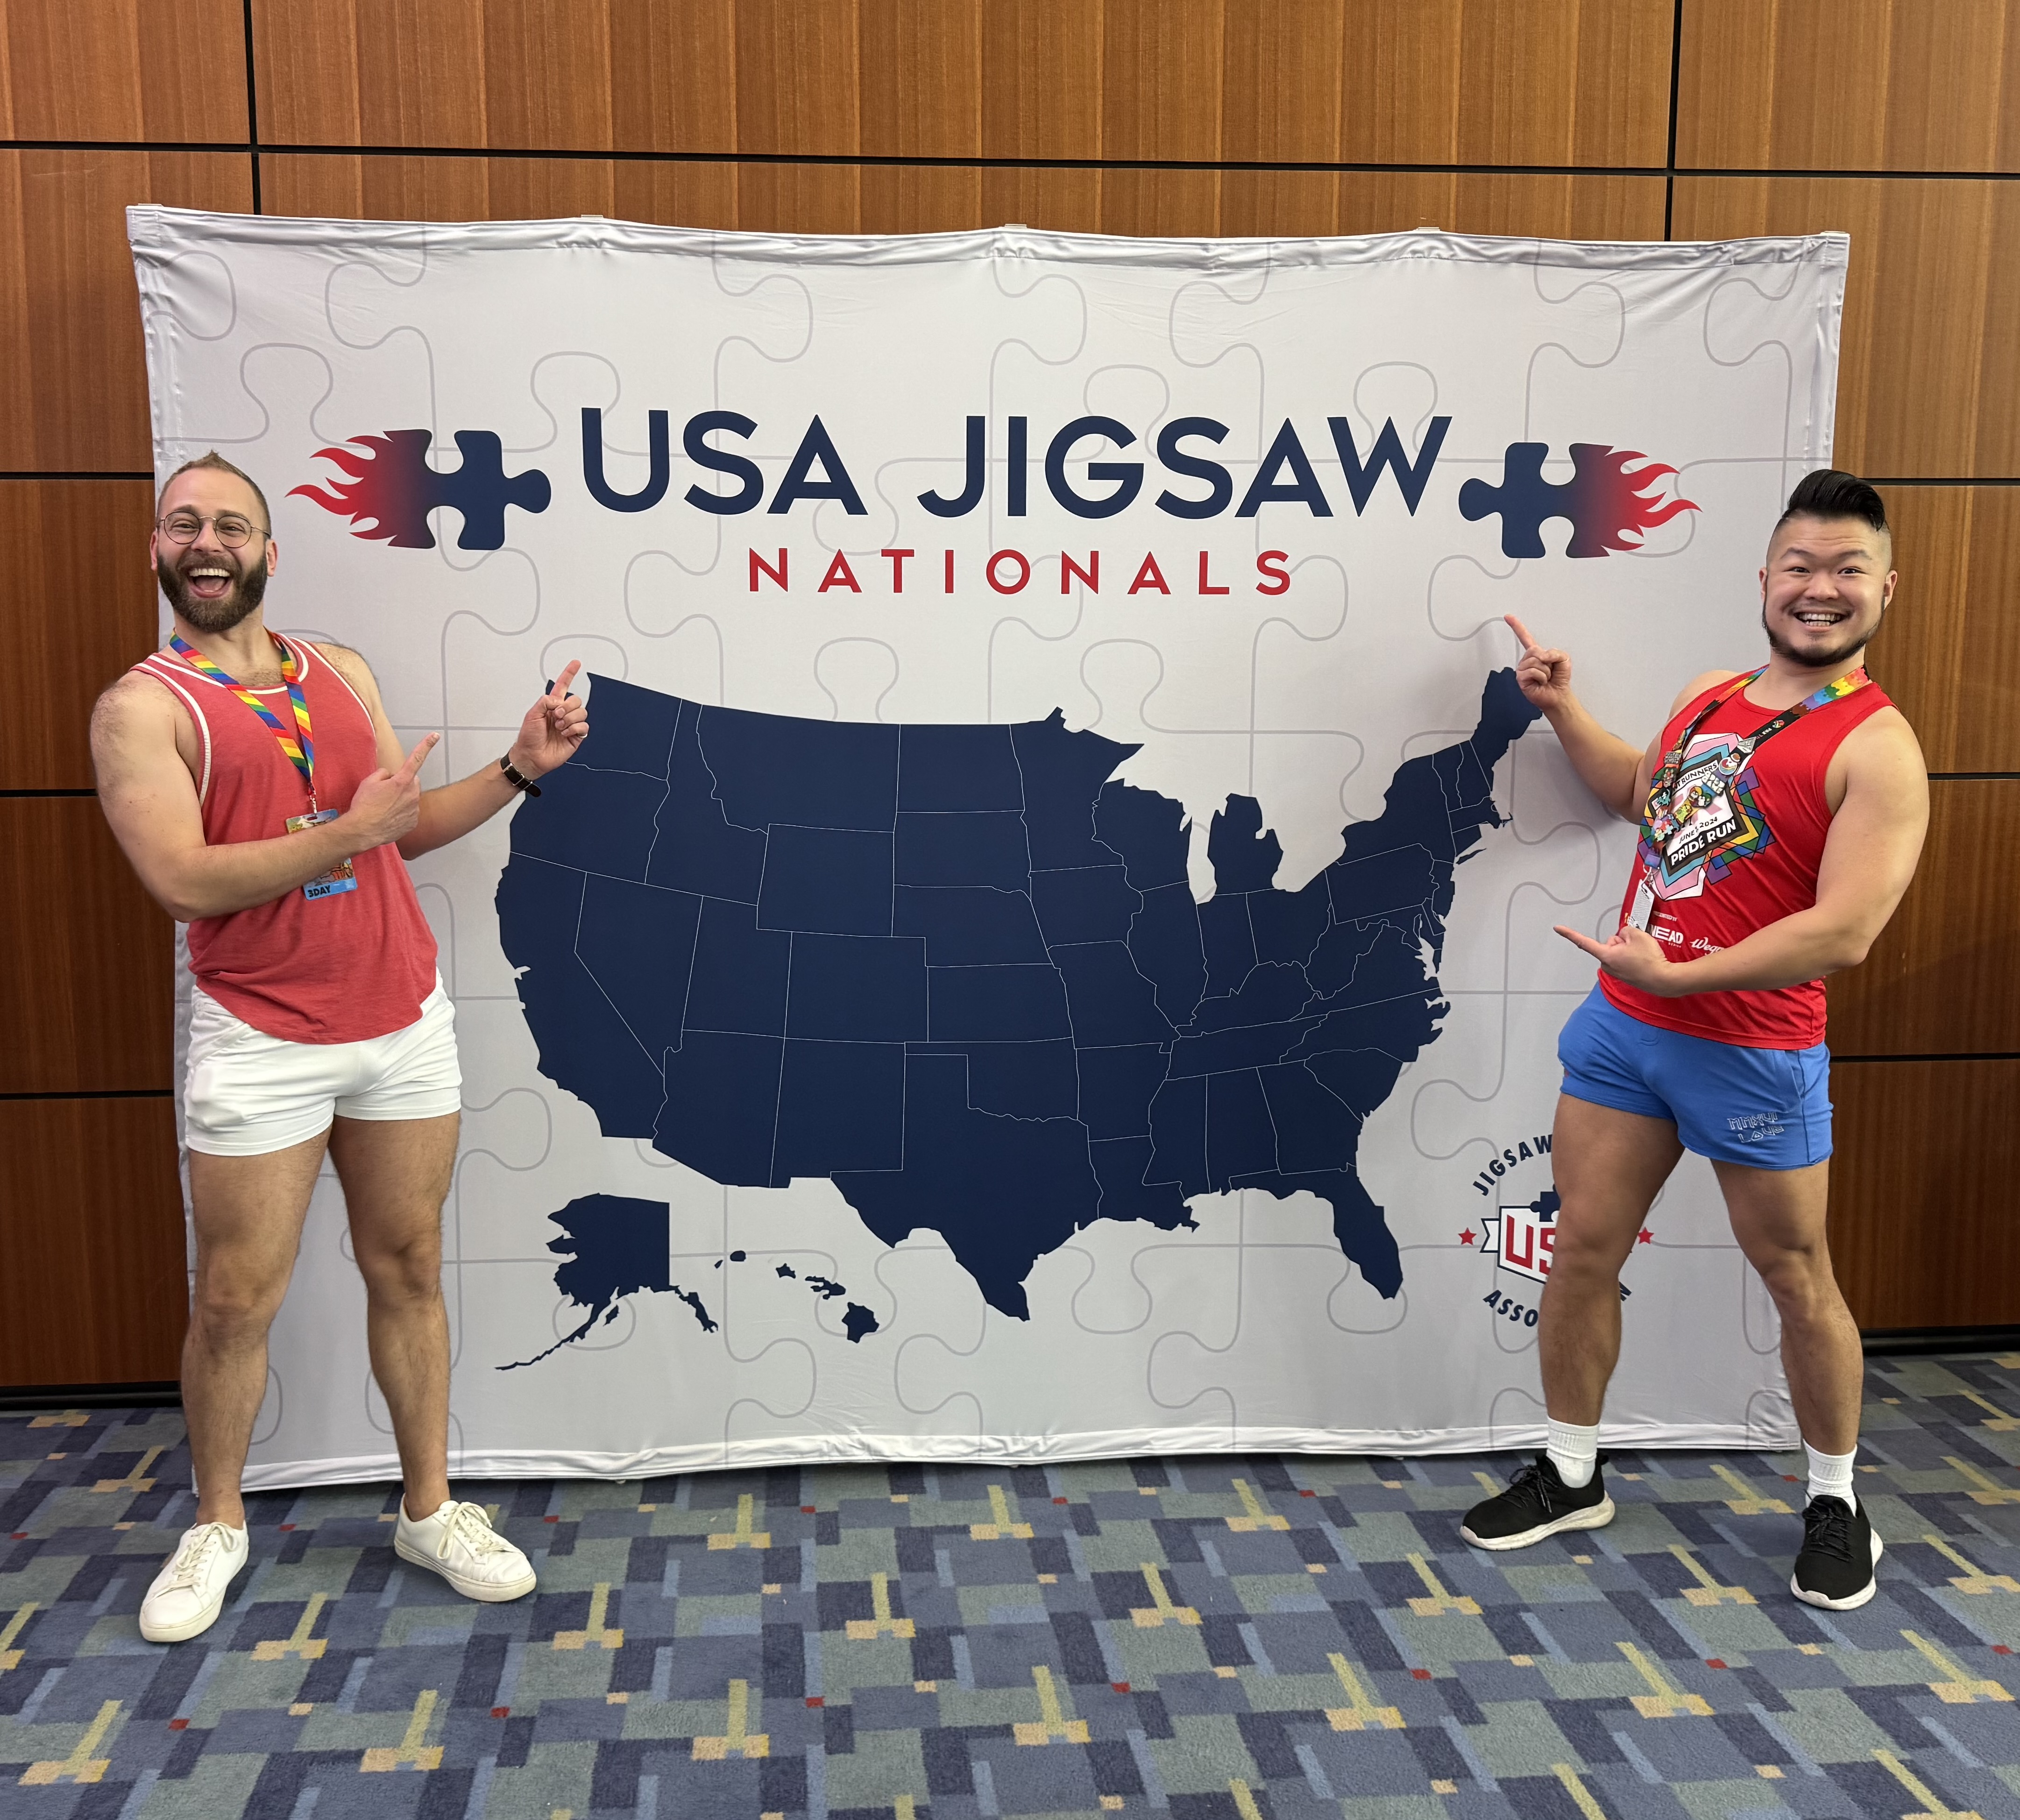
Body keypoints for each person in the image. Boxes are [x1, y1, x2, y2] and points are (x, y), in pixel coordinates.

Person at [91, 451, 588, 1644]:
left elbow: (394, 833)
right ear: (159, 552)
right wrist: (349, 834)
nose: (206, 542)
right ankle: (217, 1521)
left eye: (231, 525)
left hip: (401, 1022)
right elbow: (179, 881)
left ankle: (428, 1508)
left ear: (270, 550)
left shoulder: (342, 672)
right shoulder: (142, 707)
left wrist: (523, 766)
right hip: (260, 1036)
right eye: (183, 525)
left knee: (409, 1267)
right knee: (233, 1301)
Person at [1460, 469, 1928, 1611]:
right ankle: (1573, 1470)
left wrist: (1686, 971)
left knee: (1796, 1273)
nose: (1822, 590)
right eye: (1802, 567)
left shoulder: (1879, 749)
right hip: (1626, 1032)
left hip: (1754, 1049)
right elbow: (1640, 795)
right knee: (1579, 1252)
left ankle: (1835, 1499)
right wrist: (1565, 707)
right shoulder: (1712, 693)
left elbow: (1846, 930)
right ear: (1766, 580)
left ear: (1884, 589)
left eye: (1847, 570)